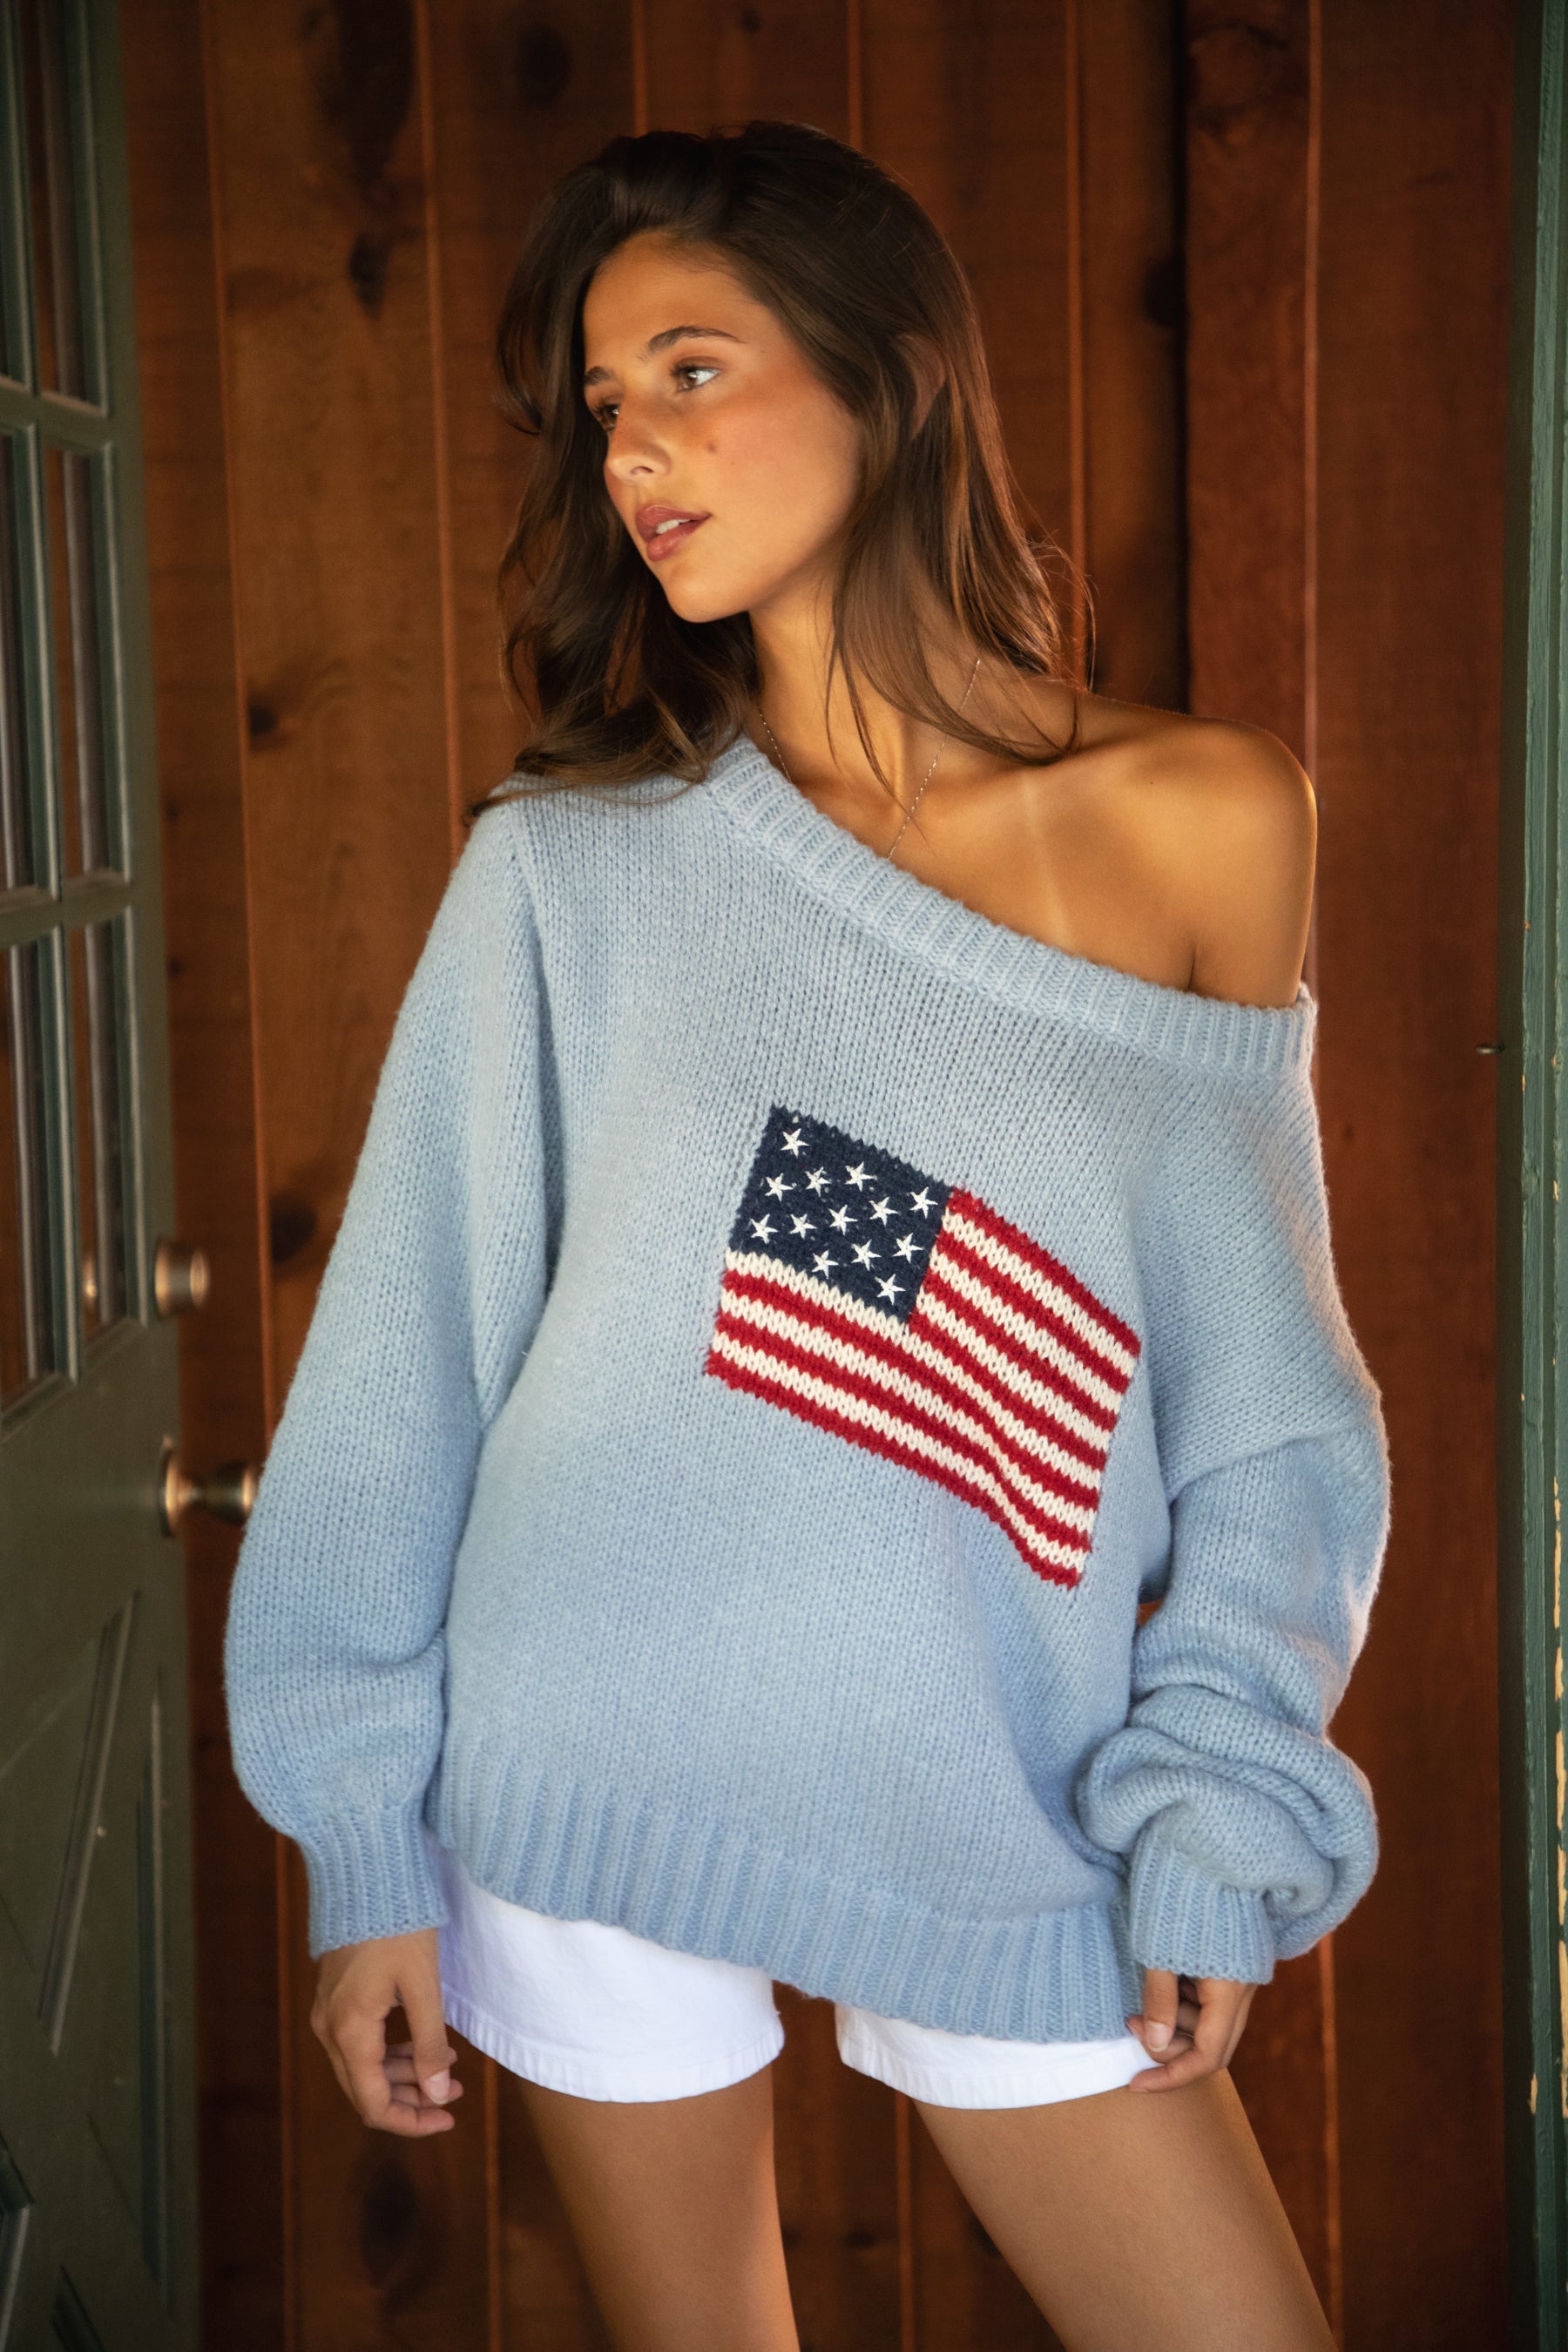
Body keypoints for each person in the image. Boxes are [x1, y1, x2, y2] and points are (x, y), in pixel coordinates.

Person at [224, 119, 1390, 2352]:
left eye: (689, 367)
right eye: (601, 402)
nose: (636, 450)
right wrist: (362, 1847)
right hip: (581, 1746)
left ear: (889, 377)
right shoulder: (574, 863)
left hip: (999, 1768)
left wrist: (1221, 1798)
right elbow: (402, 1373)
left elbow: (1271, 1418)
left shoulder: (1208, 819)